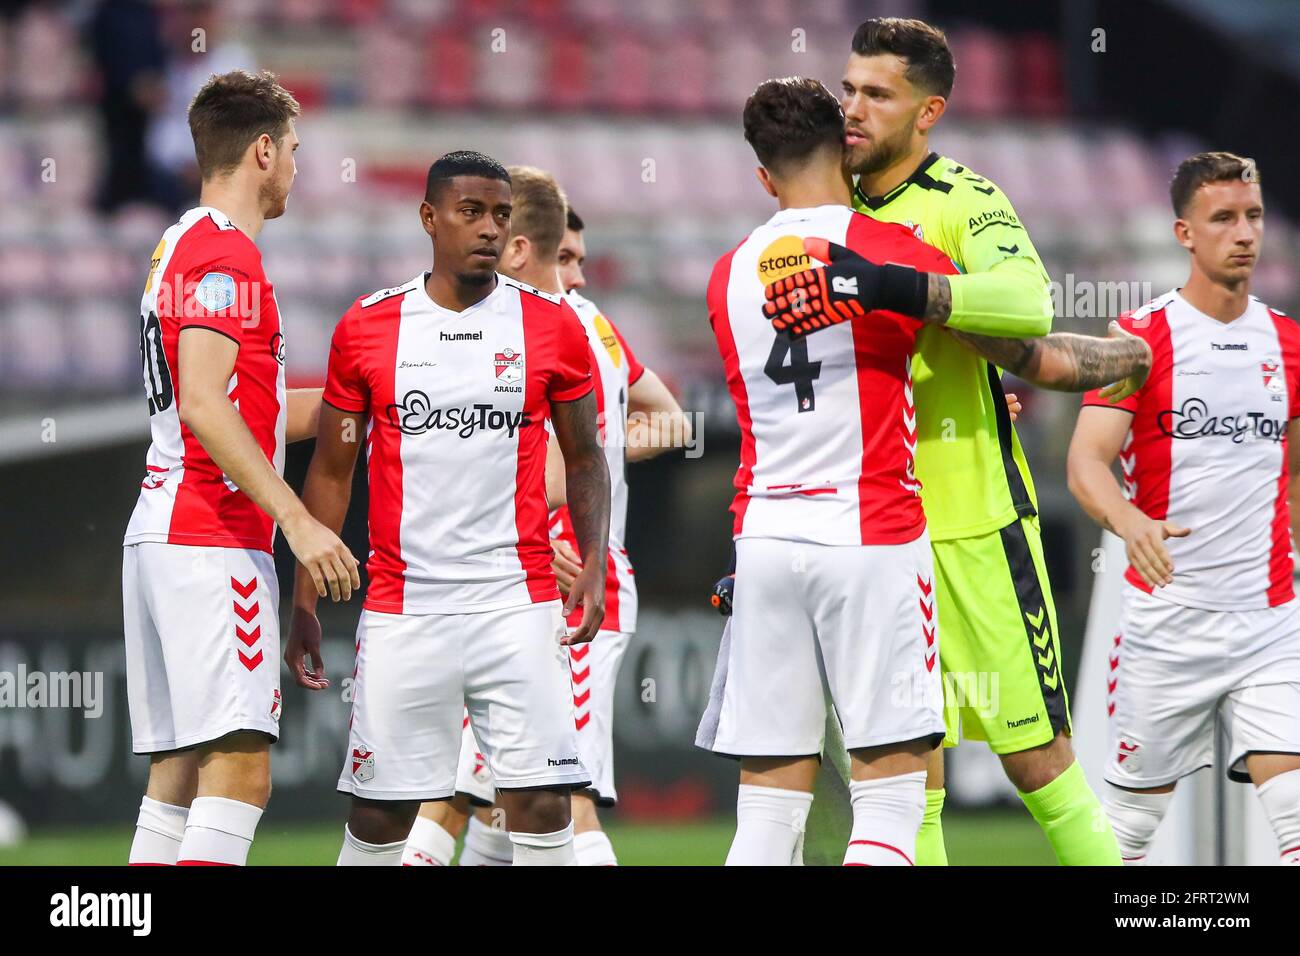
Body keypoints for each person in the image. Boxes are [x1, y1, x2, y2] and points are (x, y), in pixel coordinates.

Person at [762, 18, 1146, 865]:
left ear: (928, 110)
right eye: (849, 88)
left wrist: (891, 286)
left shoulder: (962, 200)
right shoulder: (826, 204)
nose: (852, 109)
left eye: (877, 95)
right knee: (905, 778)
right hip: (869, 534)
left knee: (1040, 761)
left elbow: (1027, 304)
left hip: (976, 523)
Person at [284, 151, 611, 866]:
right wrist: (304, 599)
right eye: (471, 213)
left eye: (500, 215)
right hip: (406, 606)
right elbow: (332, 473)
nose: (489, 229)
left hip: (516, 602)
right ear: (429, 218)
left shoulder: (551, 326)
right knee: (380, 812)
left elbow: (586, 459)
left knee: (542, 800)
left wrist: (592, 563)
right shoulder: (368, 328)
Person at [697, 75, 964, 866]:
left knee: (767, 814)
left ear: (762, 175)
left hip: (767, 541)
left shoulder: (728, 272)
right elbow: (992, 331)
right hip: (870, 533)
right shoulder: (894, 251)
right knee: (889, 800)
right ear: (848, 150)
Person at [401, 187, 690, 867]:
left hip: (569, 574)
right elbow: (654, 424)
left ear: (514, 247)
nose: (578, 272)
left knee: (553, 792)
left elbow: (569, 459)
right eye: (569, 256)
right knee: (488, 795)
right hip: (522, 576)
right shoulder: (575, 326)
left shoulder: (547, 328)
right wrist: (607, 449)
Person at [123, 70, 358, 866]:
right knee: (242, 771)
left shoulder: (179, 246)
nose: (296, 165)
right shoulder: (226, 256)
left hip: (166, 528)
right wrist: (296, 519)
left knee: (178, 775)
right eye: (293, 149)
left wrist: (363, 402)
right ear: (263, 150)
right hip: (210, 534)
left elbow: (242, 403)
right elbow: (202, 399)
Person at [1068, 152, 1300, 865]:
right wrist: (1130, 521)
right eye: (1224, 218)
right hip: (1169, 620)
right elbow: (1085, 462)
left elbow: (1292, 477)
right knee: (1129, 831)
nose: (1244, 234)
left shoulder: (1290, 344)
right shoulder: (1137, 339)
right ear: (1184, 233)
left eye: (1254, 216)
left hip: (1271, 617)